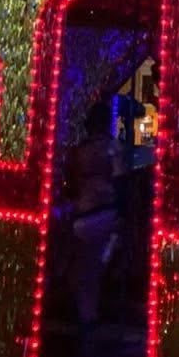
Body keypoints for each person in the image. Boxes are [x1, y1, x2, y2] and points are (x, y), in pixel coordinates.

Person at [66, 102, 119, 342]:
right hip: (106, 214)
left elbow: (71, 180)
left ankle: (86, 316)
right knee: (93, 270)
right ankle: (90, 319)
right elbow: (121, 179)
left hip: (84, 215)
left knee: (85, 269)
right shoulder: (111, 147)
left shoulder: (80, 150)